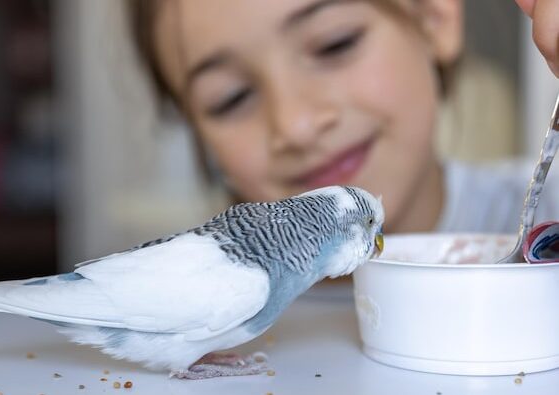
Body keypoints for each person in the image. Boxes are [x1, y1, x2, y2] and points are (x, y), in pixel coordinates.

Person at [127, 0, 559, 234]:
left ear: (432, 14)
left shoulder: (549, 215)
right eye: (231, 98)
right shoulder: (193, 323)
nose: (295, 126)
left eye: (334, 44)